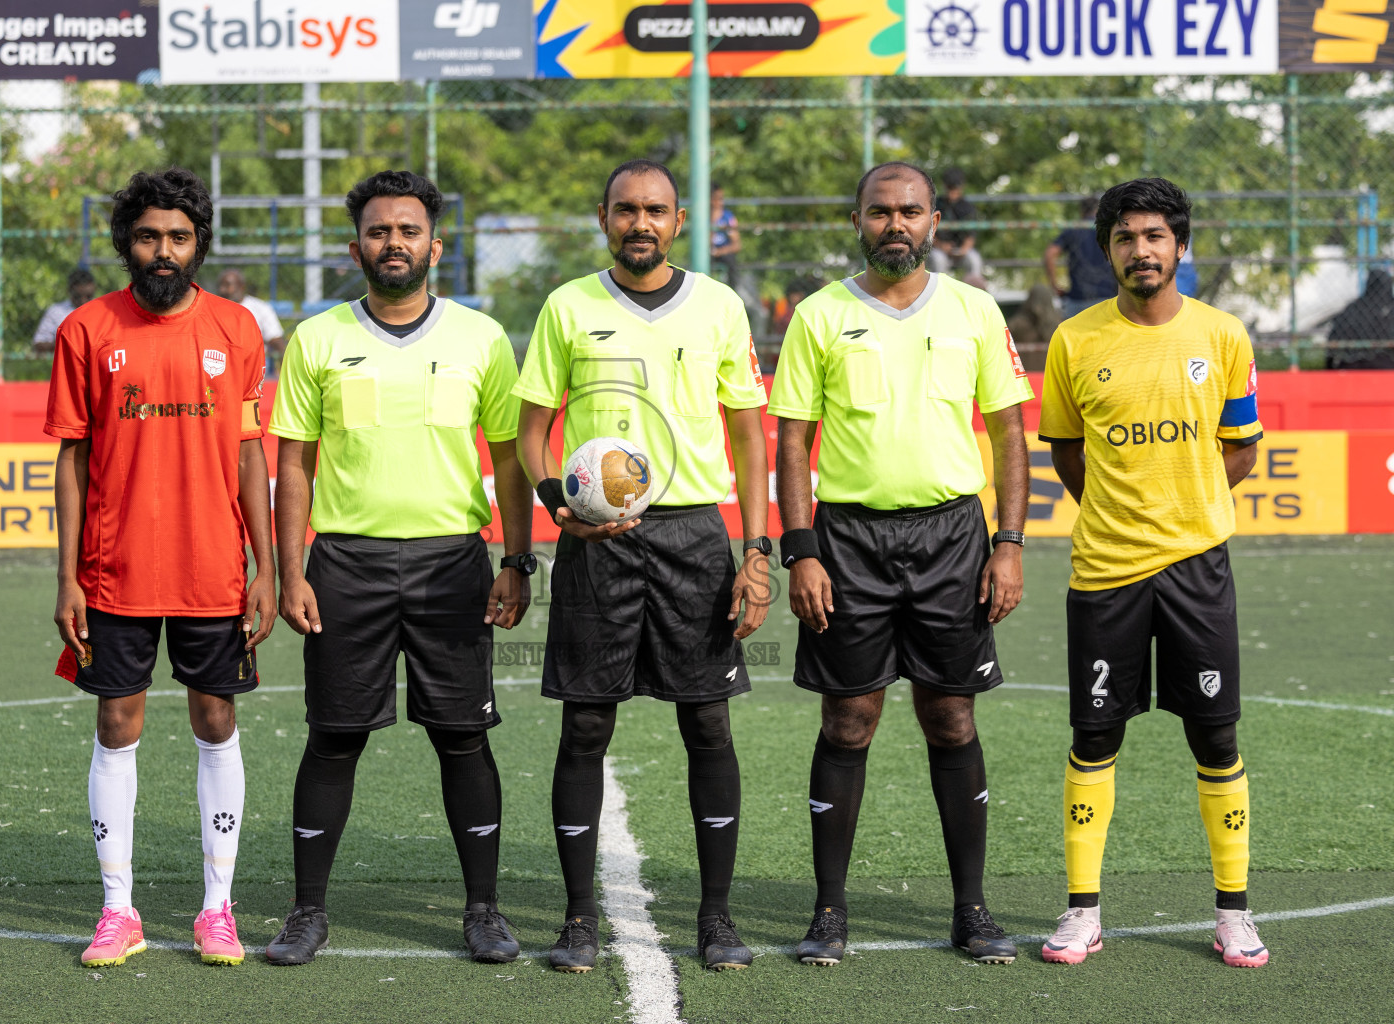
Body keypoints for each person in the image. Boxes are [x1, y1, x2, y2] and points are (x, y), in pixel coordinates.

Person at [263, 170, 534, 967]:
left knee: (461, 738)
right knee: (335, 738)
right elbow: (296, 464)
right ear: (356, 247)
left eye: (408, 231)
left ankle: (483, 910)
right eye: (379, 232)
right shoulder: (317, 338)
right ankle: (307, 912)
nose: (394, 244)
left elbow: (511, 460)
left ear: (434, 247)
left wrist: (515, 560)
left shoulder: (481, 338)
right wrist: (291, 570)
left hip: (454, 563)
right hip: (346, 564)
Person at [769, 161, 1032, 967]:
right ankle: (828, 912)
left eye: (910, 212)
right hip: (848, 542)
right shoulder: (818, 315)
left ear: (934, 221)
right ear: (857, 218)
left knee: (951, 717)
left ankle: (973, 910)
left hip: (955, 538)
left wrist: (1010, 543)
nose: (895, 225)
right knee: (849, 719)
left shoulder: (975, 311)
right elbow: (789, 442)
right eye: (880, 212)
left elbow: (1010, 435)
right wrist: (802, 551)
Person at [514, 159, 772, 973]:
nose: (640, 224)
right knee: (586, 725)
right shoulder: (567, 306)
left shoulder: (721, 307)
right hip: (599, 541)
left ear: (679, 220)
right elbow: (529, 431)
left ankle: (718, 918)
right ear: (603, 218)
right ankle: (579, 919)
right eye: (626, 210)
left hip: (696, 535)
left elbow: (750, 437)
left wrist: (756, 550)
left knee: (707, 724)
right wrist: (560, 502)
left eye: (655, 211)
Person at [45, 168, 277, 969]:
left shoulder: (238, 330)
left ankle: (218, 909)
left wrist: (268, 566)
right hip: (115, 572)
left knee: (216, 722)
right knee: (117, 726)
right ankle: (119, 911)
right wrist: (69, 574)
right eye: (148, 235)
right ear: (126, 243)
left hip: (214, 567)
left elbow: (252, 455)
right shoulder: (85, 331)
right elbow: (72, 460)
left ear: (199, 243)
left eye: (178, 236)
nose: (163, 250)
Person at [1036, 177, 1268, 969]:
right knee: (1094, 735)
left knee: (1215, 734)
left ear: (1180, 245)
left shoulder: (1225, 335)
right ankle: (1081, 913)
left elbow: (1241, 446)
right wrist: (1118, 507)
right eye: (1127, 237)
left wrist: (1187, 508)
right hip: (1106, 569)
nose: (1142, 249)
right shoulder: (1074, 340)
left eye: (1156, 235)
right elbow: (1067, 450)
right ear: (1108, 250)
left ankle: (1233, 912)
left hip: (1198, 566)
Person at [1043, 196, 1117, 317]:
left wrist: (1054, 285)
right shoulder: (1109, 230)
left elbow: (1050, 253)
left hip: (1077, 300)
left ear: (1082, 211)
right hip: (1107, 299)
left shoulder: (1073, 229)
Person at [215, 269, 286, 378]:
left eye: (227, 285)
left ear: (241, 287)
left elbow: (277, 340)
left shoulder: (260, 308)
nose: (222, 290)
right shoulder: (213, 308)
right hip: (219, 362)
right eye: (220, 285)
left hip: (253, 365)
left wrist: (285, 372)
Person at [927, 168, 986, 289]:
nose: (952, 192)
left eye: (955, 188)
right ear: (944, 186)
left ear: (961, 187)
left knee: (974, 259)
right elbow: (927, 233)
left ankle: (974, 294)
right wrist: (941, 246)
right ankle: (940, 293)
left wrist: (963, 249)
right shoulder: (935, 205)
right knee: (938, 260)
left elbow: (971, 235)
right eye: (949, 187)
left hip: (961, 250)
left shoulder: (967, 207)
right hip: (939, 249)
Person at [33, 267, 99, 353]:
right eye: (77, 297)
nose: (83, 301)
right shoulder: (56, 311)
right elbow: (38, 344)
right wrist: (66, 342)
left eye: (89, 296)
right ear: (69, 291)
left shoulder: (101, 310)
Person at [710, 183, 742, 289]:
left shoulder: (728, 217)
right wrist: (714, 225)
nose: (720, 202)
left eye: (721, 198)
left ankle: (734, 290)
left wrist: (720, 252)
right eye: (717, 198)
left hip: (724, 253)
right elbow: (703, 245)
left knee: (731, 262)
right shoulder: (702, 216)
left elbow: (737, 245)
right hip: (708, 253)